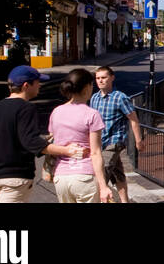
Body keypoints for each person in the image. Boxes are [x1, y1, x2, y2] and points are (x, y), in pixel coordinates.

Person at [0, 65, 87, 203]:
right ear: (26, 85)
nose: (40, 85)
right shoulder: (26, 108)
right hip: (15, 179)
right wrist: (67, 151)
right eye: (38, 82)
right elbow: (31, 142)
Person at [47, 68, 114, 203]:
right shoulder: (92, 114)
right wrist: (103, 186)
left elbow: (53, 140)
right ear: (87, 87)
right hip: (84, 176)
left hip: (61, 177)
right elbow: (95, 153)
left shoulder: (56, 112)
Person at [91, 66, 143, 204]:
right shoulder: (94, 98)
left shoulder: (120, 97)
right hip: (100, 142)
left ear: (112, 78)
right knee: (117, 174)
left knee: (101, 175)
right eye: (98, 78)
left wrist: (138, 140)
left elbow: (133, 119)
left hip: (114, 142)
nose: (100, 81)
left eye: (103, 77)